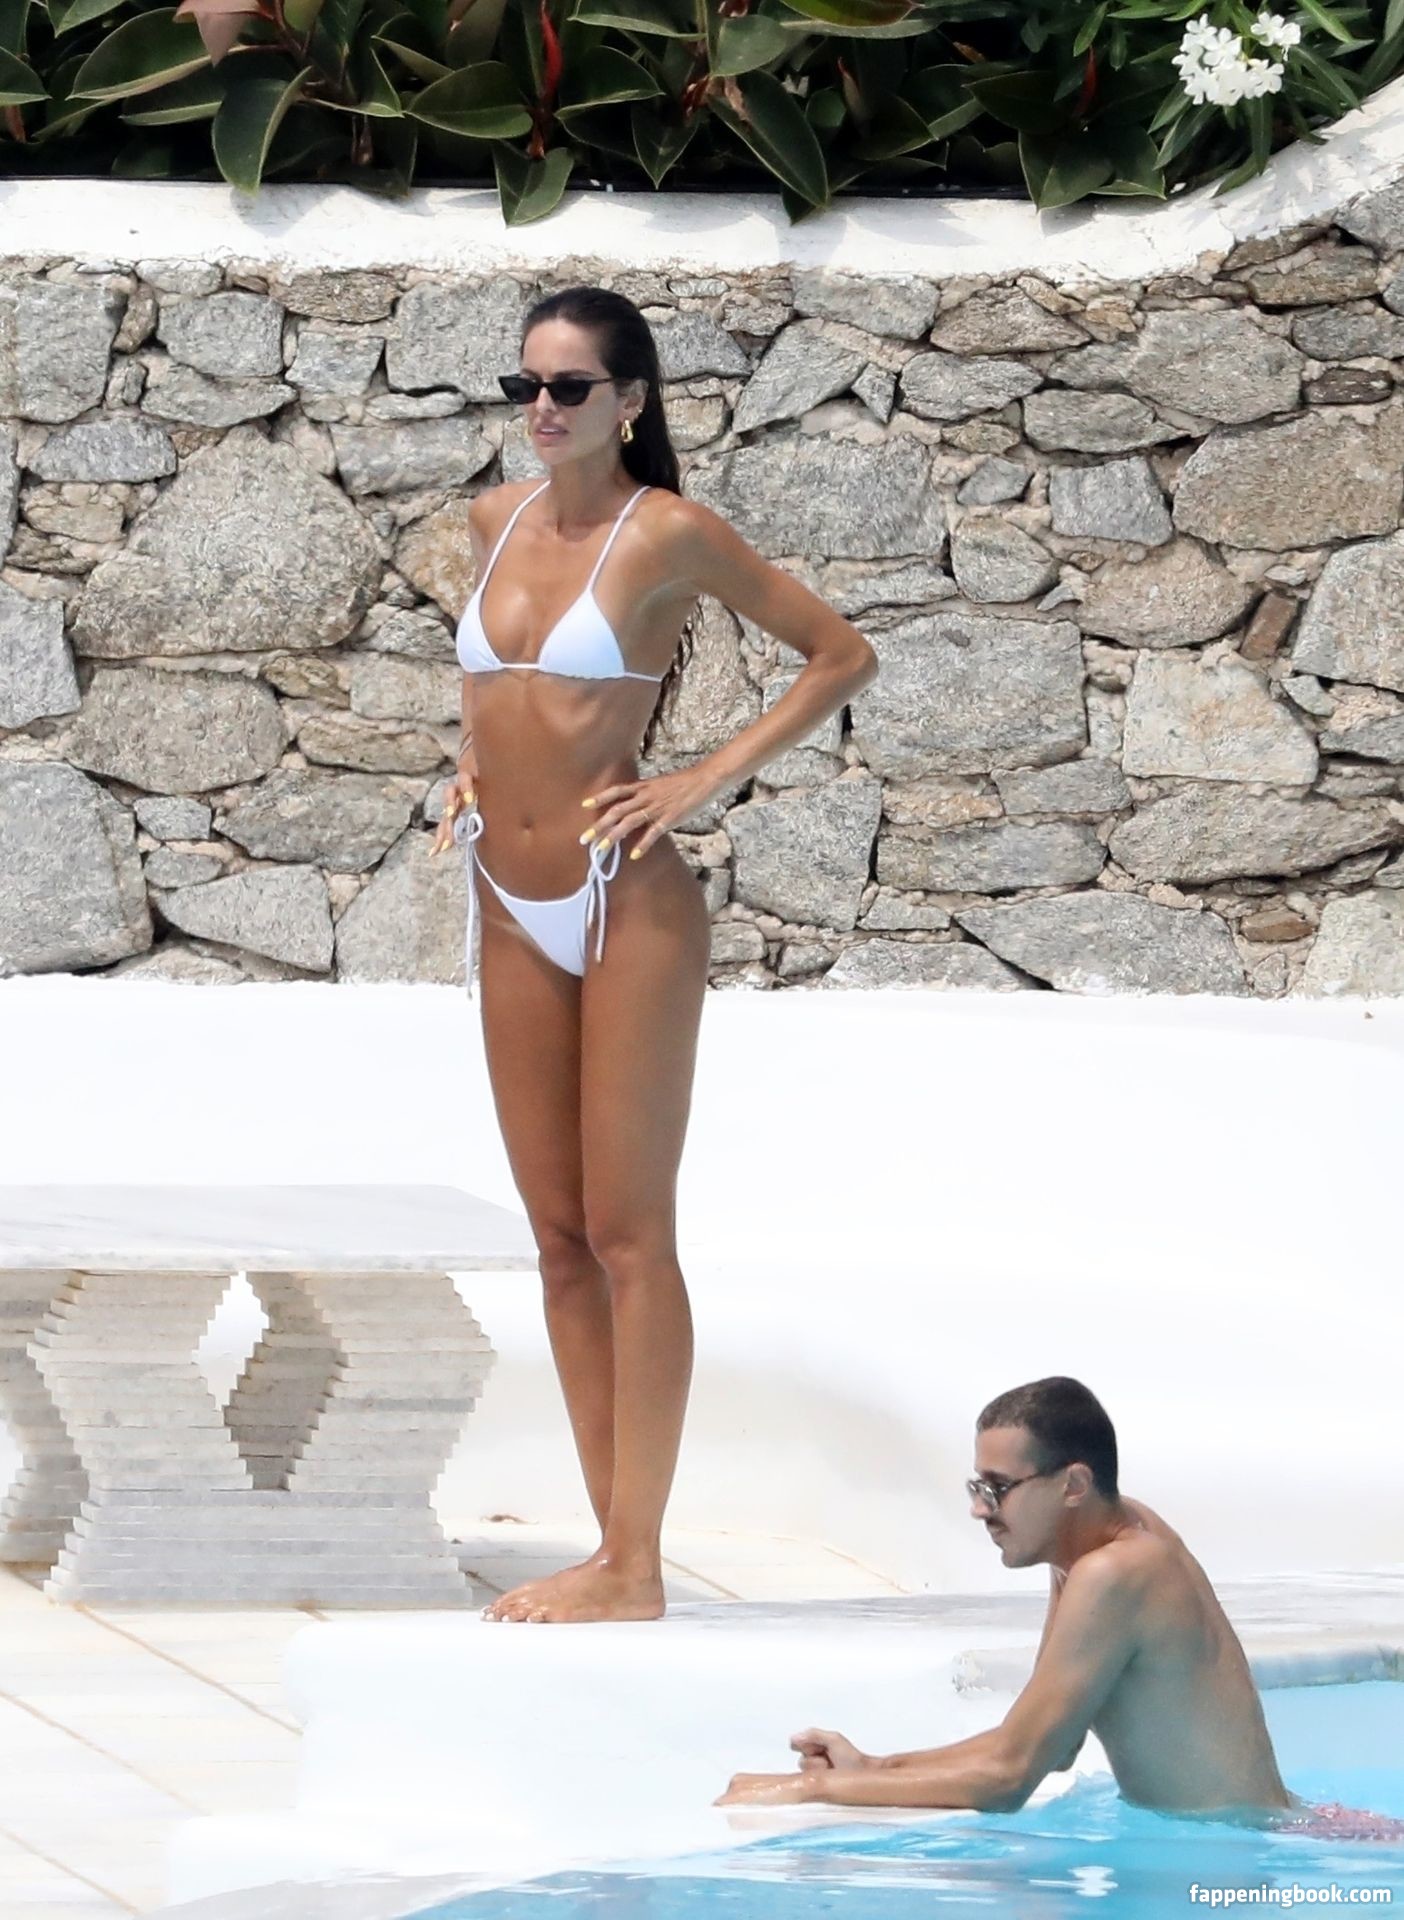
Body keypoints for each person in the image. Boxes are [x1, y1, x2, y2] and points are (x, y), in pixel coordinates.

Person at [431, 285, 877, 1626]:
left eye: (569, 387)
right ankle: (606, 1553)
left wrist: (696, 779)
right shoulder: (492, 520)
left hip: (625, 899)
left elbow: (837, 654)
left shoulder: (668, 531)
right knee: (558, 1240)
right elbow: (507, 694)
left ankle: (637, 1561)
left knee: (630, 1237)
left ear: (630, 401)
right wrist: (472, 765)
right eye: (525, 386)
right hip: (505, 894)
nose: (543, 408)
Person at [719, 1377, 1298, 1815]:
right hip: (1227, 1842)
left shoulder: (1117, 1573)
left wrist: (812, 1788)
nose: (979, 1509)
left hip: (1225, 1861)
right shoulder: (1092, 1543)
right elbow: (1051, 1746)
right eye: (977, 1486)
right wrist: (876, 1766)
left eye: (997, 1488)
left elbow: (1008, 1780)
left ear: (1073, 1485)